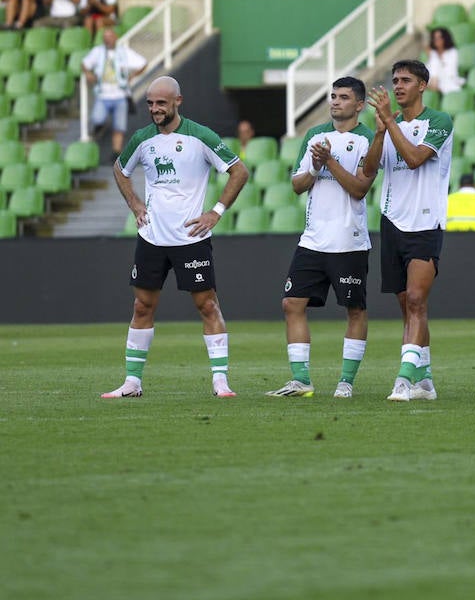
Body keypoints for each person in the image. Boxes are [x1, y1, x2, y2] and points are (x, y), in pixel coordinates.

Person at [102, 76, 249, 399]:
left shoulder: (201, 136)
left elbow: (239, 171)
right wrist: (135, 203)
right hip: (152, 237)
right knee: (142, 306)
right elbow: (119, 169)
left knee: (207, 305)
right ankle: (132, 382)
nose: (155, 109)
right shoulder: (142, 139)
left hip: (191, 238)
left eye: (161, 104)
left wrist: (216, 212)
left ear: (178, 101)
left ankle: (220, 380)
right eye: (151, 104)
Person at [267, 77, 378, 399]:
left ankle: (346, 382)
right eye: (332, 96)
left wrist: (329, 161)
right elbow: (297, 185)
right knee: (292, 303)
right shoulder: (315, 135)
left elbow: (360, 188)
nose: (335, 102)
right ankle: (301, 380)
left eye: (343, 97)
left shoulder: (367, 139)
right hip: (313, 239)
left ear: (359, 105)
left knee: (354, 309)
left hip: (349, 241)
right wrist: (315, 166)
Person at [361, 61, 454, 403]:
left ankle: (403, 380)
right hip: (392, 222)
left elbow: (415, 158)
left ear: (423, 86)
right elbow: (369, 170)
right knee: (409, 307)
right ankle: (425, 379)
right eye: (395, 80)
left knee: (416, 299)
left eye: (406, 81)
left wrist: (389, 123)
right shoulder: (391, 125)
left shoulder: (439, 121)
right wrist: (380, 131)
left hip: (425, 223)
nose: (398, 86)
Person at [82, 27, 147, 156]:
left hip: (120, 94)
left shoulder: (124, 52)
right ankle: (100, 126)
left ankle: (116, 153)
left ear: (116, 38)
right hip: (102, 93)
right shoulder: (97, 51)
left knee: (119, 126)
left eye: (110, 37)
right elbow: (85, 64)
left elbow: (143, 63)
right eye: (105, 38)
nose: (108, 40)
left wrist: (132, 76)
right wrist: (88, 74)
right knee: (97, 118)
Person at [425, 27, 463, 95]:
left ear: (445, 38)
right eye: (434, 38)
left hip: (447, 79)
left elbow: (450, 71)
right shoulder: (433, 53)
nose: (436, 40)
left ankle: (433, 85)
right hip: (432, 80)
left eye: (439, 38)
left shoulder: (452, 52)